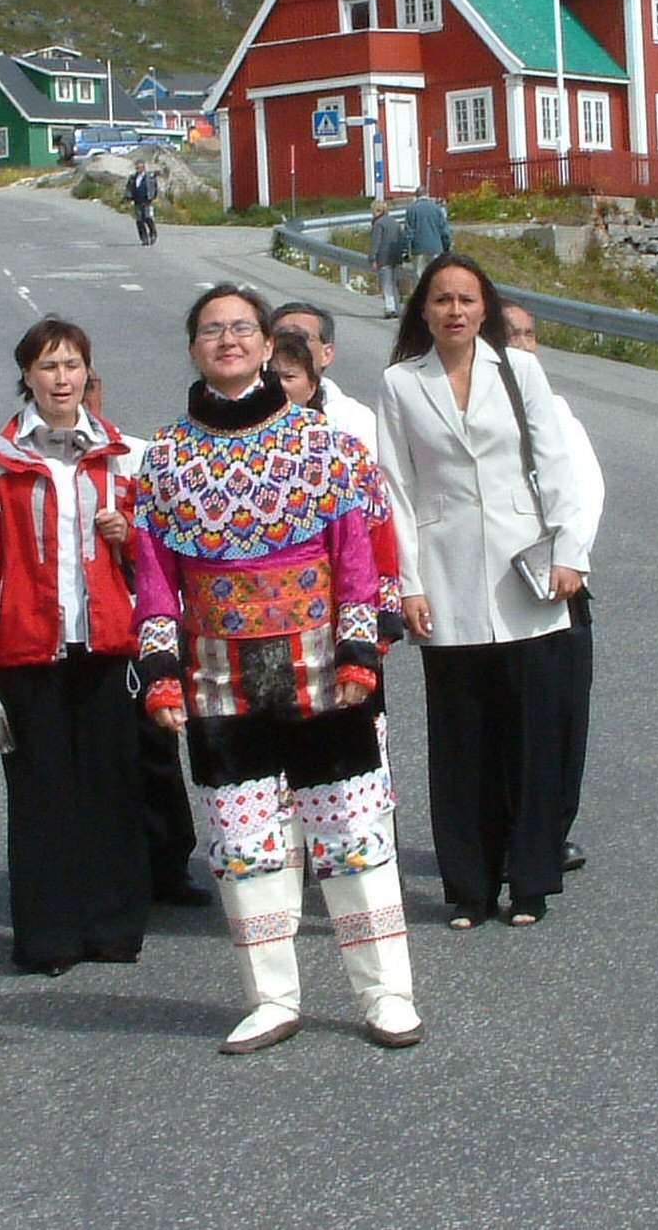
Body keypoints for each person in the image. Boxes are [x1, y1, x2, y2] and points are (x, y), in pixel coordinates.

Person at [132, 284, 420, 1052]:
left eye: (241, 328)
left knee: (353, 833)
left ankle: (386, 993)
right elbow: (154, 581)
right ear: (193, 348)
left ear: (267, 345)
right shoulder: (163, 461)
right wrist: (161, 674)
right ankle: (271, 997)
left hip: (323, 669)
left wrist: (361, 653)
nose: (227, 340)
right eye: (211, 330)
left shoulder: (324, 445)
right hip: (218, 676)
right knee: (244, 843)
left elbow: (357, 560)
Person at [379, 256, 590, 930]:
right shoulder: (400, 382)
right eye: (441, 300)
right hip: (446, 574)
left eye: (466, 300)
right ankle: (470, 887)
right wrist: (408, 584)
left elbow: (555, 463)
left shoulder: (518, 370)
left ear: (485, 309)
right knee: (462, 738)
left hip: (525, 569)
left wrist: (570, 552)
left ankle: (530, 882)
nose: (454, 311)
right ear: (423, 310)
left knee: (531, 736)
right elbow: (395, 486)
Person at [0, 318, 150, 975]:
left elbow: (156, 553)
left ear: (87, 372)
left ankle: (114, 927)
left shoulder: (122, 455)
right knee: (42, 795)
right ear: (27, 376)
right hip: (28, 649)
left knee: (112, 787)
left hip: (108, 646)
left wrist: (129, 535)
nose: (61, 379)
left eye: (71, 365)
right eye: (47, 366)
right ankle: (48, 937)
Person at [86, 371, 207, 908]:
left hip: (141, 622)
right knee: (95, 755)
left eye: (90, 381)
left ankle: (168, 861)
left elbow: (172, 544)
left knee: (154, 748)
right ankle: (105, 868)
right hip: (76, 632)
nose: (80, 392)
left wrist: (129, 534)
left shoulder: (137, 456)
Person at [500, 301, 601, 876]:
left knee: (558, 718)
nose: (521, 345)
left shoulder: (557, 413)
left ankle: (549, 832)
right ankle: (495, 834)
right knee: (498, 721)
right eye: (509, 335)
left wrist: (565, 563)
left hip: (557, 584)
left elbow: (585, 496)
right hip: (487, 591)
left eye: (529, 335)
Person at [270, 301, 381, 458]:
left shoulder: (353, 419)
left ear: (327, 353)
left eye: (301, 337)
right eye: (282, 336)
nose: (291, 345)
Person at [401, 185, 452, 286]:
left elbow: (408, 232)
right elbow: (444, 231)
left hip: (419, 248)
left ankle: (421, 295)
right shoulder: (436, 209)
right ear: (427, 194)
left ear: (416, 196)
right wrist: (446, 246)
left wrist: (405, 250)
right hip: (436, 247)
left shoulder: (411, 210)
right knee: (435, 274)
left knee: (420, 275)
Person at [368, 198, 409, 319]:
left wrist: (372, 259)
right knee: (395, 283)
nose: (372, 213)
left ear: (378, 211)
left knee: (386, 284)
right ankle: (398, 308)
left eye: (374, 210)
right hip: (396, 257)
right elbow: (402, 239)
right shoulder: (395, 222)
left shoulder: (378, 224)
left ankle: (390, 308)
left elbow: (375, 243)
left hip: (383, 258)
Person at [126, 160, 160, 246]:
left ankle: (153, 233)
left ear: (144, 168)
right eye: (137, 168)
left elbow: (154, 187)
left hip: (147, 201)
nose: (139, 169)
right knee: (139, 220)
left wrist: (153, 197)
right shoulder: (133, 178)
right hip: (137, 201)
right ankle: (144, 238)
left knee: (148, 217)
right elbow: (129, 188)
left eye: (141, 167)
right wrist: (129, 197)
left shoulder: (150, 177)